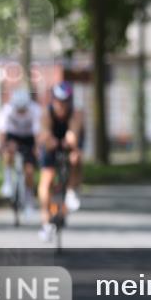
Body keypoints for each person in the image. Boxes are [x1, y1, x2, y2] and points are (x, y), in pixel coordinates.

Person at [36, 81, 85, 242]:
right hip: (51, 144)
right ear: (53, 100)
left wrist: (71, 142)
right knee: (47, 180)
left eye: (65, 101)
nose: (61, 105)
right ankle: (46, 223)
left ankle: (71, 190)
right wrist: (51, 141)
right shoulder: (47, 114)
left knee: (76, 158)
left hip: (69, 144)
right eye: (58, 101)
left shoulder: (76, 113)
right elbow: (44, 134)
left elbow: (74, 134)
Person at [0, 87, 42, 201]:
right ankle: (7, 181)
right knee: (9, 150)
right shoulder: (7, 110)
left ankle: (28, 196)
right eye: (18, 110)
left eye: (23, 110)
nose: (21, 112)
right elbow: (2, 132)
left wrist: (37, 148)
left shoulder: (36, 110)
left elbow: (37, 133)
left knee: (29, 171)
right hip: (13, 135)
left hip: (29, 137)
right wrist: (2, 145)